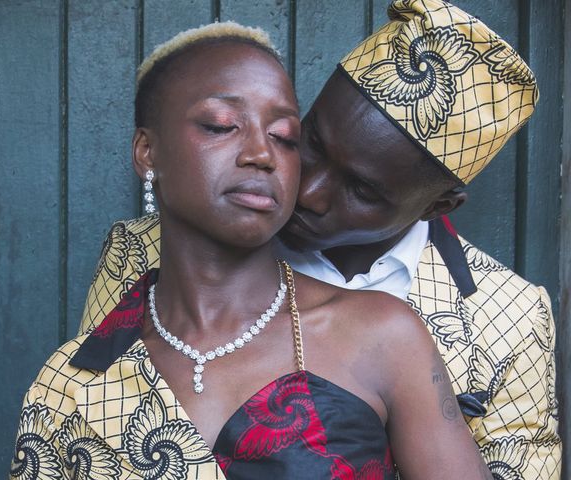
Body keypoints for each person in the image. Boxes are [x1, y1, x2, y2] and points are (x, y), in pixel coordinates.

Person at [77, 1, 561, 479]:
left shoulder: (510, 318)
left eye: (361, 190)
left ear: (437, 206)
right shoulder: (139, 254)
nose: (307, 191)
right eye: (307, 142)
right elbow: (88, 422)